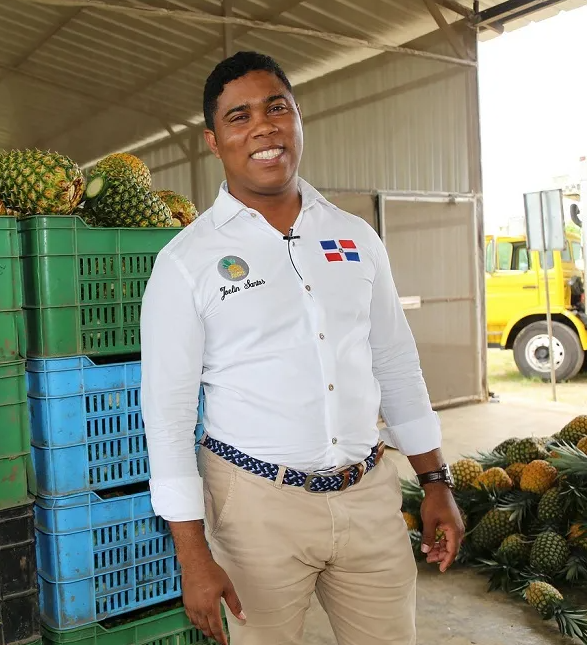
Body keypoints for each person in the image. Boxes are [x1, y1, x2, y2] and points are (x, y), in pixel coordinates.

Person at [139, 51, 464, 645]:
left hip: (368, 495)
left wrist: (436, 481)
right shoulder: (186, 262)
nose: (263, 126)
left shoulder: (354, 238)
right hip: (256, 509)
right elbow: (167, 418)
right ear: (213, 141)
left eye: (276, 108)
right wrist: (193, 554)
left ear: (298, 121)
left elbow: (394, 362)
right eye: (239, 117)